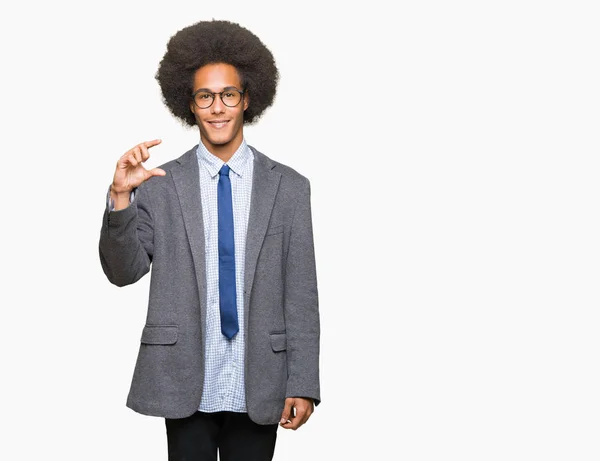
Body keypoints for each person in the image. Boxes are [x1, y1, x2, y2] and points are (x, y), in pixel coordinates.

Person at [98, 19, 321, 461]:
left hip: (260, 376)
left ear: (247, 99)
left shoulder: (290, 188)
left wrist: (304, 381)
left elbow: (301, 293)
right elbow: (123, 273)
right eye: (205, 96)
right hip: (185, 377)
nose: (217, 107)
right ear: (191, 104)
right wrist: (121, 195)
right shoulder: (160, 185)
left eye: (228, 95)